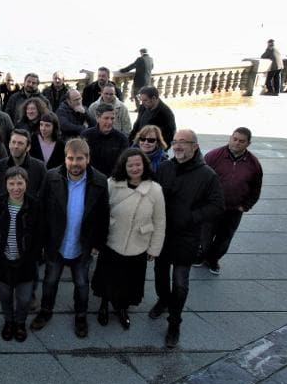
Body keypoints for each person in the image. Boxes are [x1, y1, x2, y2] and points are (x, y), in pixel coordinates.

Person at [151, 129, 224, 348]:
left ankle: (174, 323)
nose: (178, 146)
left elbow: (217, 205)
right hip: (163, 234)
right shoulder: (164, 167)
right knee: (160, 276)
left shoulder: (207, 174)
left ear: (195, 146)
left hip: (187, 236)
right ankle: (163, 300)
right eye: (175, 141)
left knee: (181, 284)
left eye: (184, 142)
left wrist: (192, 217)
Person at [30, 138, 109, 338]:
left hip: (82, 245)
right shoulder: (51, 177)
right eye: (71, 158)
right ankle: (45, 312)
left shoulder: (100, 181)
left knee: (82, 284)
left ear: (88, 159)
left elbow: (103, 216)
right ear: (65, 159)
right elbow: (41, 211)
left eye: (79, 159)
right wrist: (40, 243)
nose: (75, 163)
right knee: (50, 281)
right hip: (56, 244)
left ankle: (81, 316)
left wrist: (98, 244)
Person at [91, 149, 165, 330]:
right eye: (130, 165)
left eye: (138, 164)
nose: (134, 168)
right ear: (123, 166)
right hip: (112, 241)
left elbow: (160, 220)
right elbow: (99, 213)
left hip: (138, 244)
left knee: (129, 282)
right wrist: (96, 241)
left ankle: (122, 309)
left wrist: (154, 249)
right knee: (107, 278)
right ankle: (103, 306)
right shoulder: (112, 184)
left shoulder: (155, 190)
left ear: (144, 165)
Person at [0, 167, 42, 342]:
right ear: (5, 184)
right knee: (6, 296)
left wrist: (35, 256)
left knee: (24, 299)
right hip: (3, 262)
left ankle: (20, 323)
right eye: (11, 183)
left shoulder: (34, 205)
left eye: (20, 183)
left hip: (25, 263)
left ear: (26, 183)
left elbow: (40, 234)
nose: (16, 187)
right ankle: (8, 322)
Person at [195, 127, 263, 274]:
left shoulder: (254, 164)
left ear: (248, 144)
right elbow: (200, 180)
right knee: (205, 236)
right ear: (230, 138)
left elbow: (256, 188)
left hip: (234, 209)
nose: (237, 143)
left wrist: (245, 206)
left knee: (224, 239)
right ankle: (202, 255)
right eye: (235, 139)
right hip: (212, 207)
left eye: (241, 141)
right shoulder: (213, 156)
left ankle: (213, 260)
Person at [0, 129, 47, 197]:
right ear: (9, 144)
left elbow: (44, 193)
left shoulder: (39, 167)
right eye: (13, 142)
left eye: (20, 143)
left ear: (28, 147)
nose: (16, 146)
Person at [82, 103, 130, 177]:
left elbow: (124, 164)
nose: (110, 122)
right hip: (90, 178)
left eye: (112, 118)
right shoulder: (86, 136)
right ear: (97, 118)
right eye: (106, 118)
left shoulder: (122, 139)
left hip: (113, 179)